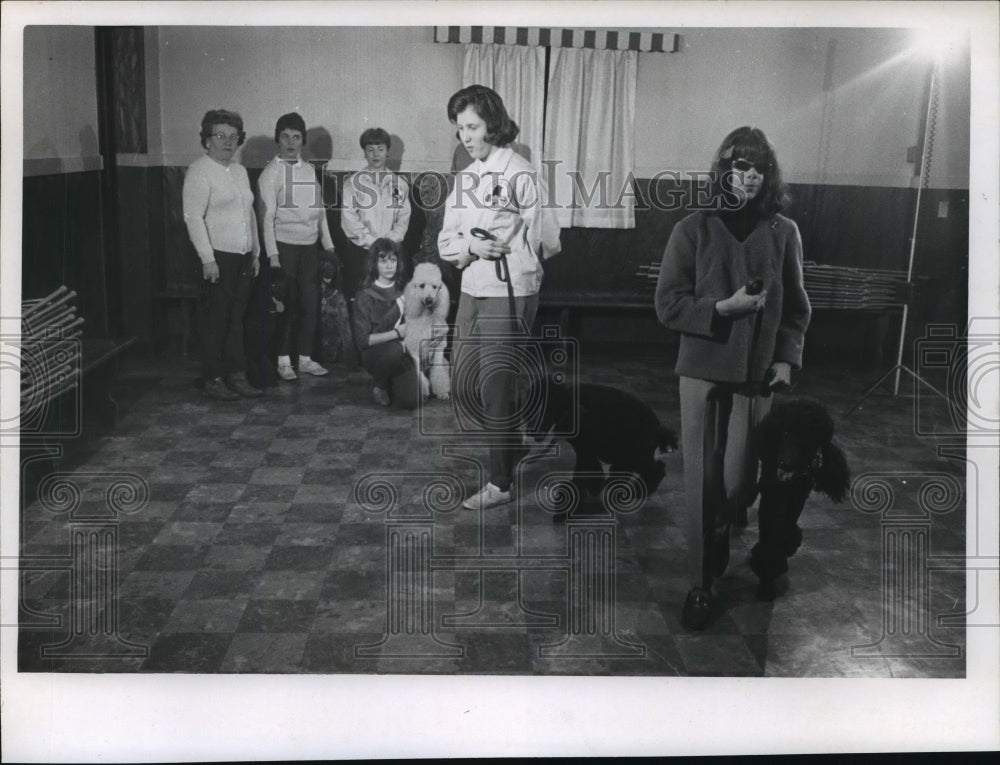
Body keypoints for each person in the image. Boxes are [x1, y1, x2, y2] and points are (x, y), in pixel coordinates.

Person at [654, 126, 812, 630]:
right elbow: (668, 305)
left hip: (757, 376)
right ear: (724, 170)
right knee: (702, 483)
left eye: (757, 168)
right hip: (701, 371)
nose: (747, 176)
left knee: (740, 481)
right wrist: (724, 308)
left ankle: (721, 529)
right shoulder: (693, 228)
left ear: (768, 176)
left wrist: (787, 357)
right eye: (739, 166)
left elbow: (796, 308)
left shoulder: (784, 231)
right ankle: (702, 581)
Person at [437, 84, 562, 511]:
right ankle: (512, 445)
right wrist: (472, 250)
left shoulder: (521, 173)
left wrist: (518, 253)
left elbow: (550, 238)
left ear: (493, 123)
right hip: (472, 288)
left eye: (472, 126)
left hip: (510, 291)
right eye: (460, 129)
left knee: (495, 387)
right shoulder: (466, 177)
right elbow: (445, 240)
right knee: (463, 381)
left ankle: (501, 482)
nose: (466, 137)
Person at [182, 108, 262, 401]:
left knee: (237, 319)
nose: (228, 141)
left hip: (242, 257)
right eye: (220, 135)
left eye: (233, 136)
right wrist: (208, 259)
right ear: (207, 140)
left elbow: (249, 212)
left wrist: (255, 251)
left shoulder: (239, 171)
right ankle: (213, 377)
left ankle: (236, 375)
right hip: (217, 258)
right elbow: (193, 218)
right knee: (216, 321)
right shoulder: (199, 171)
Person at [257, 111, 334, 380]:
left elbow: (320, 211)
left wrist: (329, 246)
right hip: (284, 248)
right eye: (285, 137)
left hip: (309, 249)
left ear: (303, 141)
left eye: (296, 137)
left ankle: (304, 358)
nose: (291, 143)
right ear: (278, 140)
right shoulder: (270, 174)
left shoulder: (309, 170)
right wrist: (274, 257)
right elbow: (267, 219)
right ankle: (283, 360)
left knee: (309, 304)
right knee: (285, 306)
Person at [340, 127, 411, 298]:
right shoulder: (353, 184)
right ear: (364, 153)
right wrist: (372, 243)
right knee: (363, 303)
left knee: (388, 302)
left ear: (387, 152)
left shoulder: (398, 184)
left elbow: (403, 218)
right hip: (362, 254)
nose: (375, 154)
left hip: (390, 254)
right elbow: (349, 220)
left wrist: (390, 242)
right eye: (370, 150)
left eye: (380, 149)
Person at [351, 238, 419, 410]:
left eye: (393, 260)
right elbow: (363, 341)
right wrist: (397, 334)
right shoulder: (364, 295)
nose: (389, 265)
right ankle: (380, 384)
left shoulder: (406, 289)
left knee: (411, 400)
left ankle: (393, 381)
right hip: (375, 354)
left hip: (403, 350)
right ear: (374, 263)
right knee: (394, 351)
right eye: (383, 260)